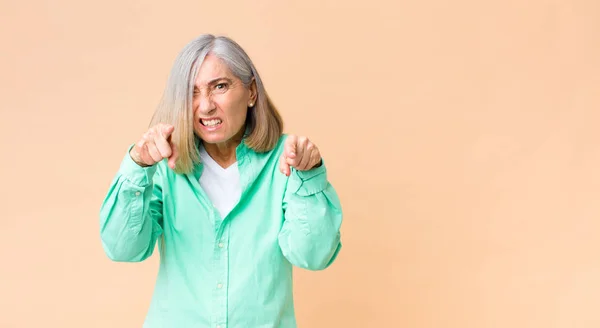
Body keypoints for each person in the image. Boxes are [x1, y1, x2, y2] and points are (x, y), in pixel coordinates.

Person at [99, 34, 343, 328]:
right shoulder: (164, 166)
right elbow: (123, 248)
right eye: (192, 92)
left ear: (251, 91)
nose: (205, 106)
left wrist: (310, 175)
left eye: (220, 87)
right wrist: (138, 165)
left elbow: (314, 255)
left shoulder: (287, 160)